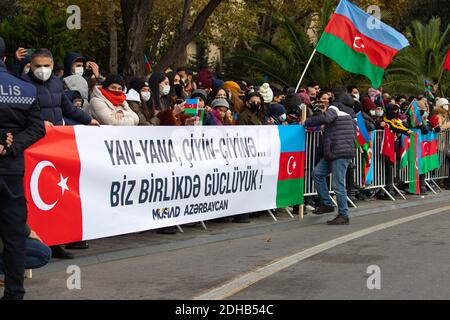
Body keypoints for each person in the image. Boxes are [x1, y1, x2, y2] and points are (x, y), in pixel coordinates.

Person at [0, 36, 46, 299]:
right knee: (15, 236)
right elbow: (37, 128)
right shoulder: (24, 89)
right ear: (5, 58)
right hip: (12, 171)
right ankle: (15, 294)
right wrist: (13, 145)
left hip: (10, 164)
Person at [303, 86, 356, 225]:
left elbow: (327, 117)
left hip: (339, 151)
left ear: (333, 95)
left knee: (338, 184)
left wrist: (307, 122)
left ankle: (343, 214)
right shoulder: (350, 110)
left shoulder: (336, 106)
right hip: (336, 151)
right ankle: (327, 204)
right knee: (317, 174)